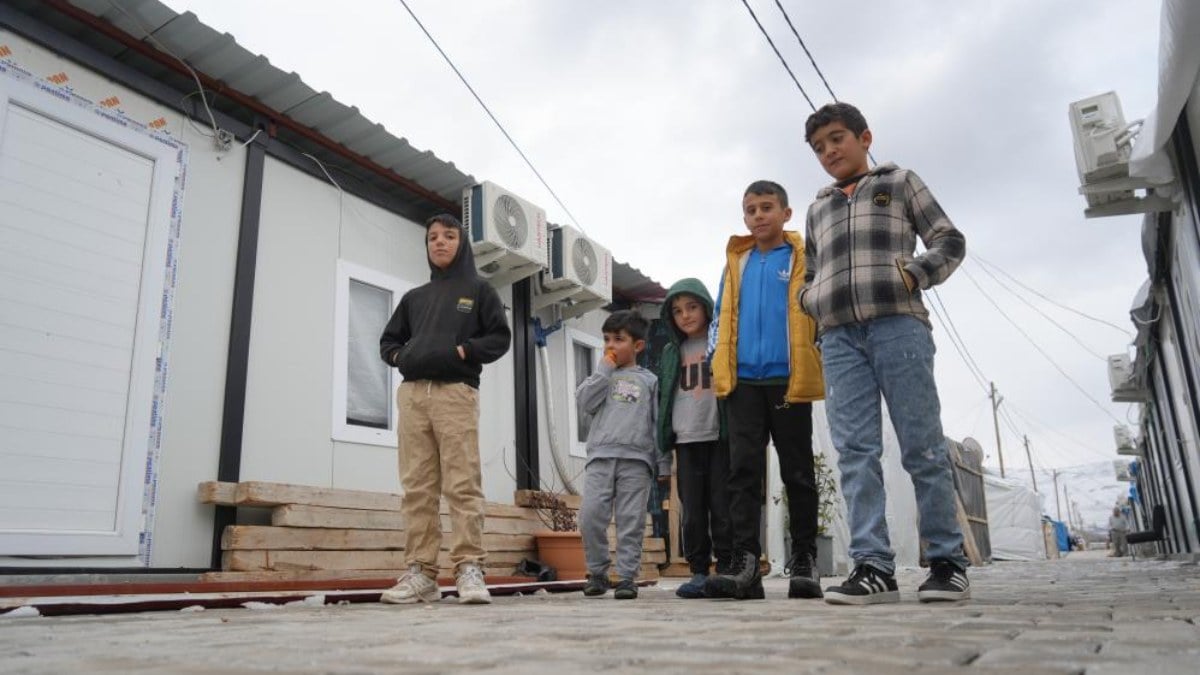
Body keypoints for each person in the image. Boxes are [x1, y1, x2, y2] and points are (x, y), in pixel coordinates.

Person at [799, 102, 970, 605]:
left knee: (923, 447)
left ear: (864, 137)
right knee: (855, 454)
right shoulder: (818, 208)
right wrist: (814, 300)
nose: (829, 151)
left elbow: (949, 240)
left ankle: (947, 562)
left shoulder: (898, 182)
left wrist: (913, 274)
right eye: (818, 147)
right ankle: (873, 567)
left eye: (836, 139)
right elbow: (808, 277)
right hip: (839, 339)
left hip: (899, 328)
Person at [378, 213, 511, 605]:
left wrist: (463, 350)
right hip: (414, 395)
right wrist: (404, 355)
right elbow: (388, 341)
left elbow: (498, 338)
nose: (439, 242)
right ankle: (421, 574)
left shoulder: (479, 290)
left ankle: (469, 568)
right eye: (432, 237)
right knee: (417, 488)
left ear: (462, 243)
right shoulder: (414, 298)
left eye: (448, 236)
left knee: (461, 484)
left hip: (456, 393)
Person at [704, 180, 826, 601]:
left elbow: (818, 309)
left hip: (788, 380)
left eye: (767, 207)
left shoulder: (801, 257)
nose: (758, 216)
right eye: (751, 209)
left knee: (797, 471)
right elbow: (720, 315)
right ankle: (745, 565)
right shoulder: (735, 262)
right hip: (743, 384)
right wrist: (716, 363)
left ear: (786, 213)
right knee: (742, 475)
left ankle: (806, 561)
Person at [577, 310, 666, 600]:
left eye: (618, 339)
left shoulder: (649, 381)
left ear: (638, 346)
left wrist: (662, 462)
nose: (610, 346)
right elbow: (585, 403)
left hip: (636, 461)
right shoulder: (600, 377)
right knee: (590, 516)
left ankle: (627, 576)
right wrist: (603, 370)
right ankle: (597, 572)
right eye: (606, 339)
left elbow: (657, 423)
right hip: (600, 457)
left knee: (631, 520)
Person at [656, 278, 732, 599]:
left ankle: (728, 569)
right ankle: (699, 571)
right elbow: (664, 399)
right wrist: (664, 444)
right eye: (677, 311)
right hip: (685, 441)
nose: (685, 315)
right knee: (693, 510)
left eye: (692, 307)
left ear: (706, 307)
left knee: (722, 505)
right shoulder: (672, 352)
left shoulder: (723, 343)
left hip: (718, 436)